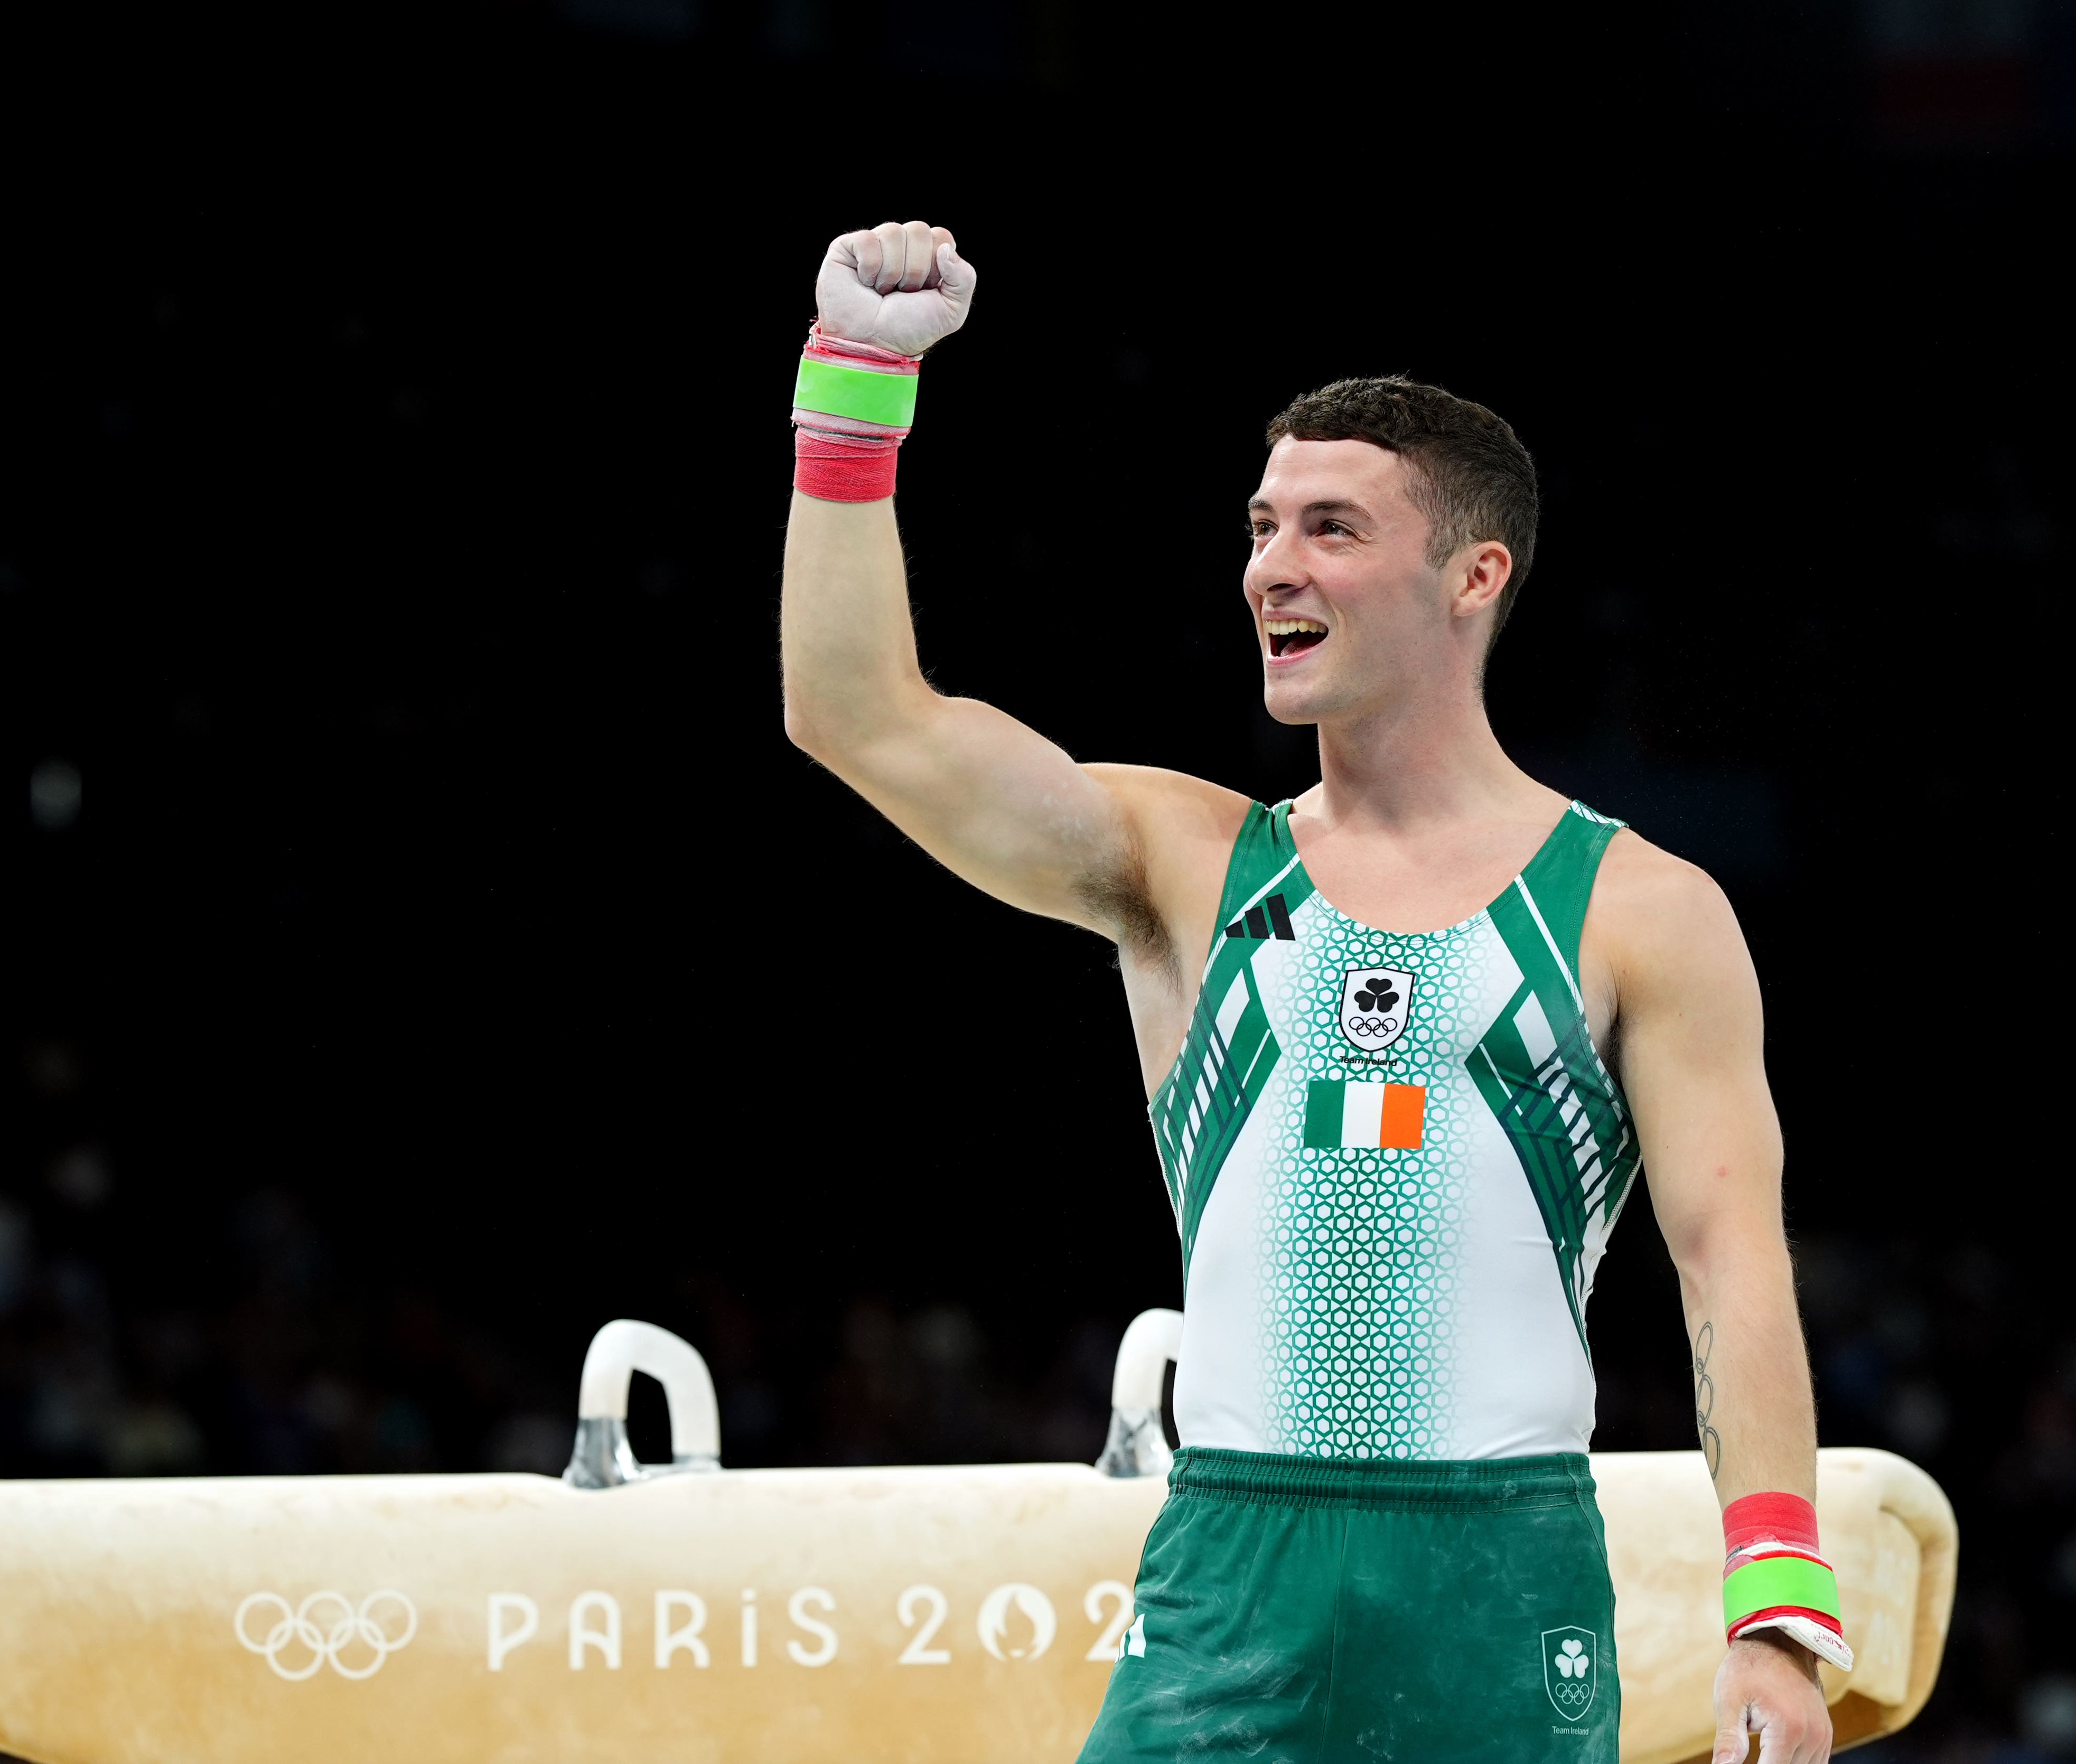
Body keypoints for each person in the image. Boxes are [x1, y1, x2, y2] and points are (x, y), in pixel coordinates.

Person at [779, 220, 1849, 1764]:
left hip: (1498, 1573)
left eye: (1331, 529)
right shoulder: (1182, 862)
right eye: (1263, 524)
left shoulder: (1640, 912)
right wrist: (855, 383)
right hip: (1228, 1575)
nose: (1272, 565)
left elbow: (1729, 1255)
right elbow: (858, 715)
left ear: (1473, 574)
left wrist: (1775, 1612)